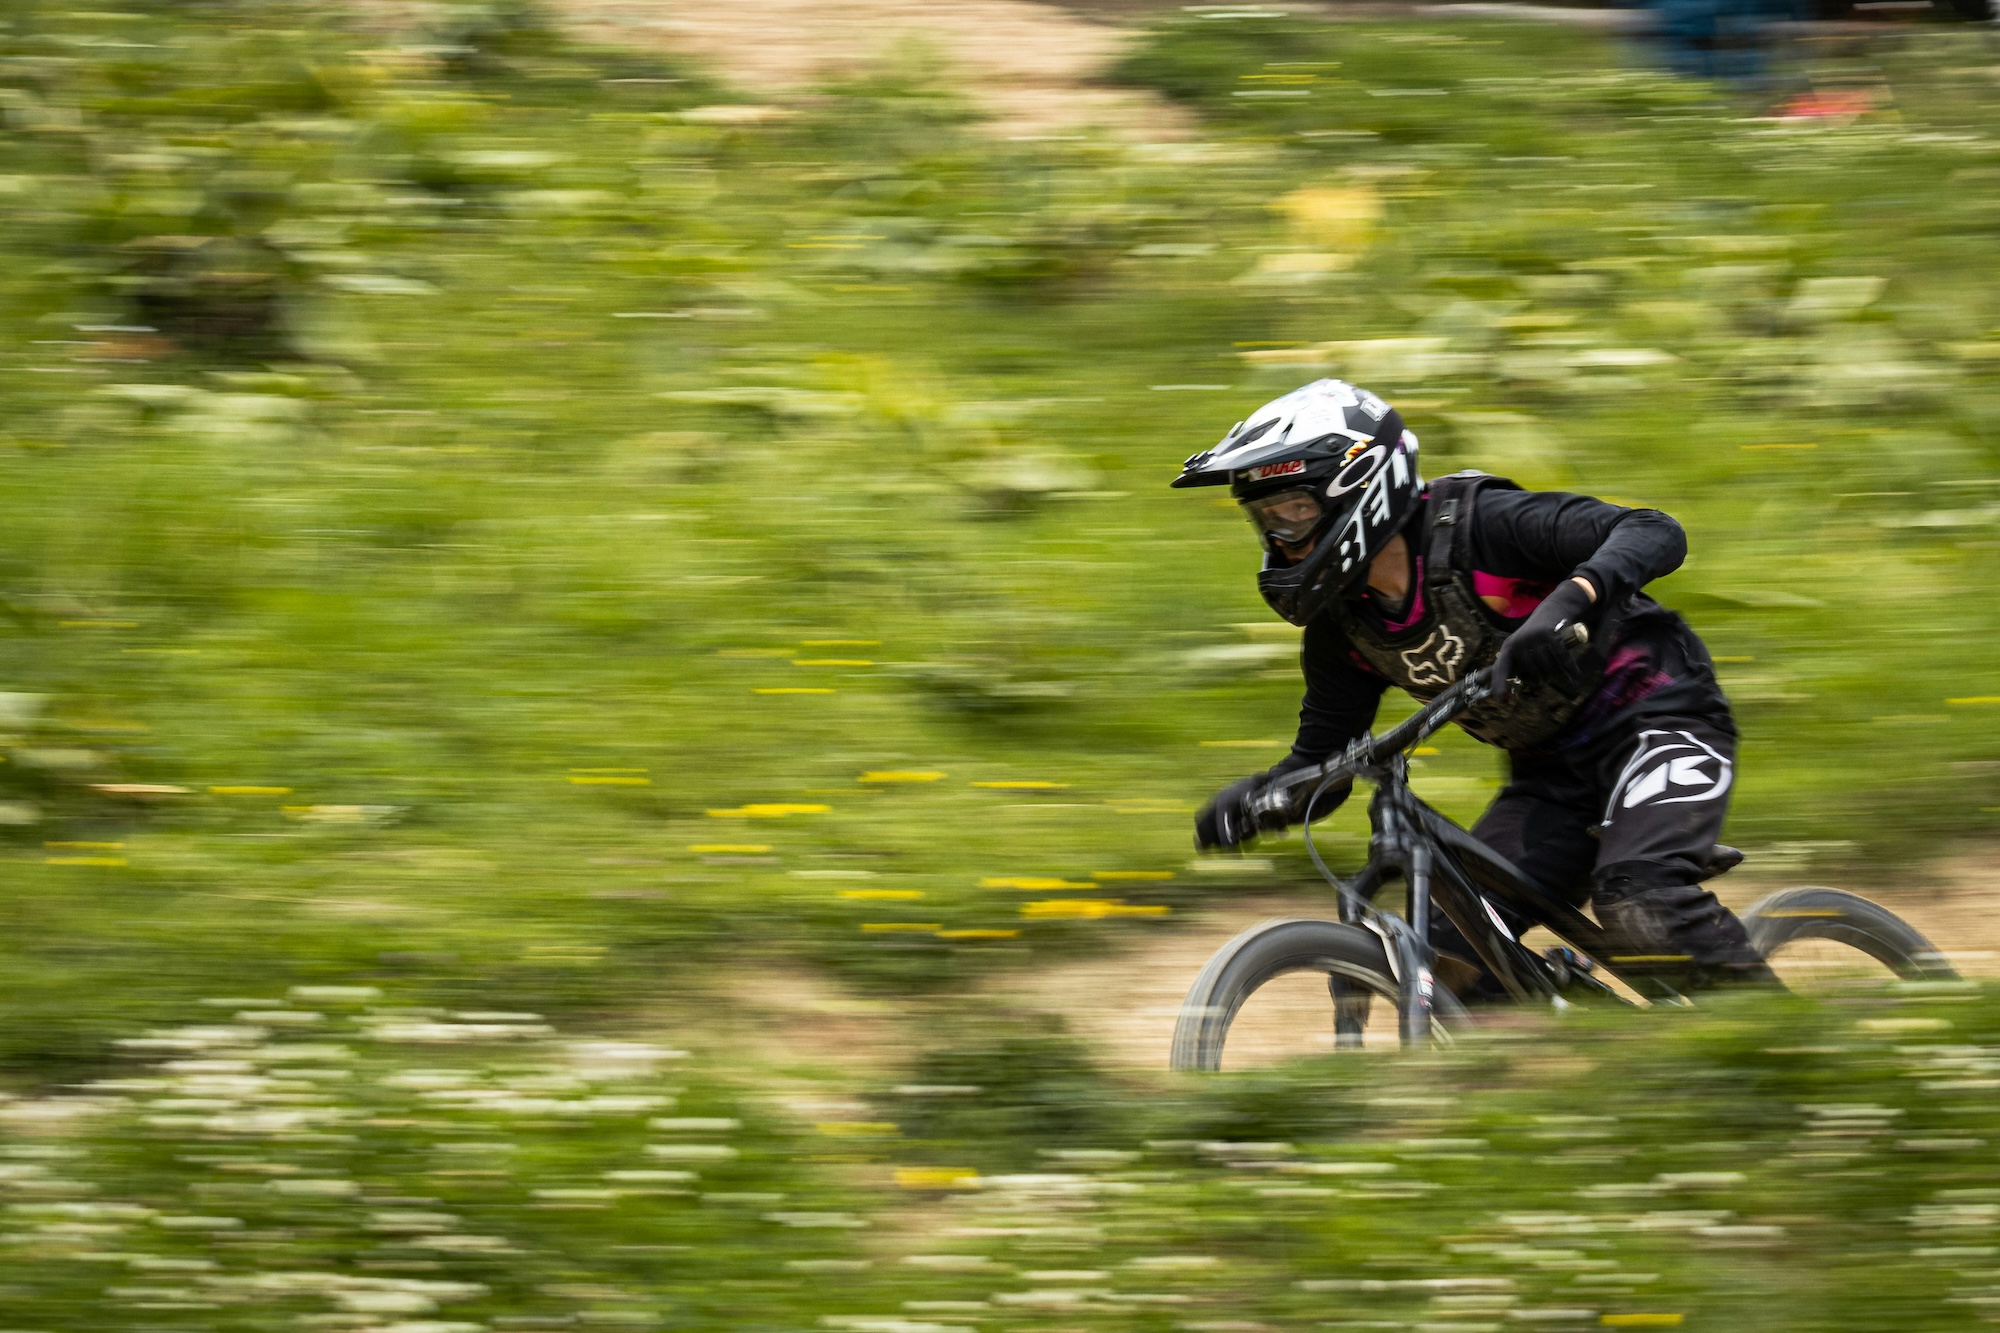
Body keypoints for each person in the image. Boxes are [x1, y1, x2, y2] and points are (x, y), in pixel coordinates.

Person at [1175, 378, 1774, 994]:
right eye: (1265, 519)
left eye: (1293, 511)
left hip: (1659, 719)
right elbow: (1326, 763)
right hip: (1551, 779)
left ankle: (1793, 1046)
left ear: (1359, 486)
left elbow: (1653, 531)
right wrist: (1259, 799)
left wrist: (1568, 603)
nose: (1279, 537)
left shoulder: (1481, 527)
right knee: (1455, 956)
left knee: (1641, 901)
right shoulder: (1343, 627)